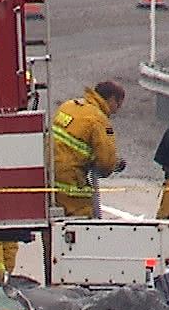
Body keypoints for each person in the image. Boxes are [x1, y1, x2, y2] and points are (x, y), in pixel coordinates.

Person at [51, 80, 125, 218]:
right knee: (83, 217)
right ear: (112, 99)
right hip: (69, 181)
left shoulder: (68, 106)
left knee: (54, 219)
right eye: (118, 104)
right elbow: (106, 163)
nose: (117, 109)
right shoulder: (99, 120)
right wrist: (115, 164)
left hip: (48, 177)